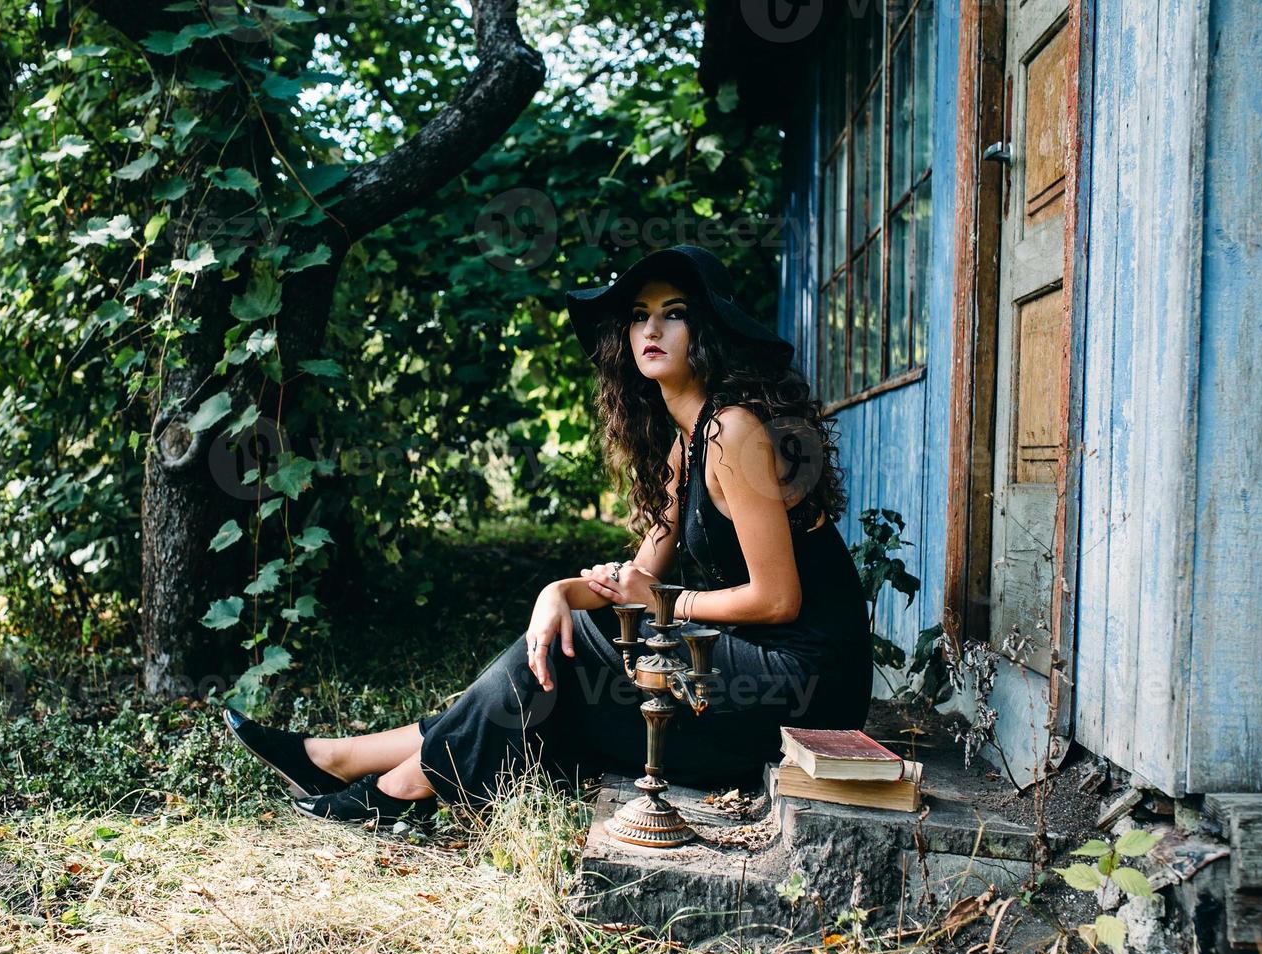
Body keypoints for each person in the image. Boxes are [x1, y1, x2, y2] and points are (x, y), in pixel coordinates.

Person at [224, 244, 873, 826]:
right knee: (559, 650)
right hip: (751, 673)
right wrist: (557, 592)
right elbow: (638, 577)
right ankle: (353, 764)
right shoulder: (687, 446)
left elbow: (776, 599)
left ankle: (382, 779)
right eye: (638, 314)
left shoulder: (735, 431)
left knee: (585, 648)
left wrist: (668, 606)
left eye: (673, 312)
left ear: (708, 330)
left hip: (806, 690)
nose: (650, 327)